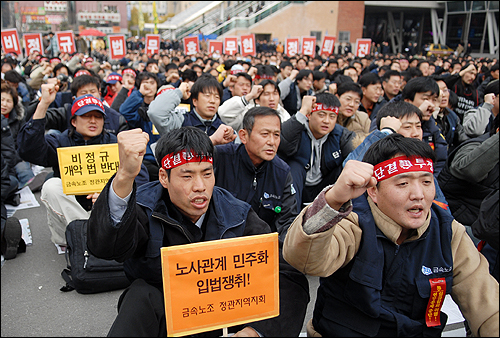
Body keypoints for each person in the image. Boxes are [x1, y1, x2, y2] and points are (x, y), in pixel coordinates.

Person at [86, 126, 309, 337]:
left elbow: (288, 277)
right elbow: (106, 248)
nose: (200, 186)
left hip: (225, 318)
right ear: (164, 177)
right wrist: (124, 176)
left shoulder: (237, 215)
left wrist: (256, 331)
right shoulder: (144, 207)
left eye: (206, 173)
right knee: (140, 294)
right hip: (167, 318)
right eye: (187, 176)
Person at [283, 133, 499, 337]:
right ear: (373, 191)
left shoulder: (448, 232)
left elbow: (488, 307)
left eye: (426, 181)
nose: (418, 195)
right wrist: (333, 200)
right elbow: (306, 260)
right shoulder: (352, 220)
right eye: (403, 183)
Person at [17, 84, 148, 247]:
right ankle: (85, 239)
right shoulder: (61, 141)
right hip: (73, 210)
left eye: (98, 116)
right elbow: (28, 149)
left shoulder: (117, 144)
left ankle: (91, 240)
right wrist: (43, 104)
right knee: (51, 185)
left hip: (108, 212)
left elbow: (141, 181)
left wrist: (114, 193)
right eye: (86, 116)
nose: (93, 121)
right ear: (73, 121)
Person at [214, 106, 297, 241]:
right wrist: (212, 141)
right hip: (220, 244)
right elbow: (184, 163)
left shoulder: (282, 172)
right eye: (265, 134)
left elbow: (287, 222)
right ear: (243, 136)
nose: (271, 142)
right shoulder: (222, 157)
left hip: (260, 250)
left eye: (276, 135)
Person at [278, 93, 355, 211]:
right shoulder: (297, 128)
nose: (327, 121)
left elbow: (355, 157)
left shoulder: (341, 135)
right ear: (309, 114)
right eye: (321, 115)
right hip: (297, 185)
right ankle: (291, 219)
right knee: (295, 167)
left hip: (324, 185)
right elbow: (282, 142)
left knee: (347, 168)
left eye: (332, 116)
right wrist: (302, 111)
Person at [147, 74, 236, 146]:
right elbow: (155, 112)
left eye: (216, 97)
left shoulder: (225, 130)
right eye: (207, 96)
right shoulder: (181, 122)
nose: (212, 101)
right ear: (195, 101)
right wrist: (180, 92)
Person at [401, 76, 448, 177]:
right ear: (408, 101)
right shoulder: (389, 116)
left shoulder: (431, 124)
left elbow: (441, 160)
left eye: (434, 100)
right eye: (425, 99)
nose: (430, 105)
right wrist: (416, 114)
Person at [218, 79, 290, 133]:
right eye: (266, 94)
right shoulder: (248, 114)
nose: (272, 99)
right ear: (257, 100)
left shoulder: (284, 115)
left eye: (275, 94)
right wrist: (249, 96)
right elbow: (223, 113)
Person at [431, 75, 466, 152]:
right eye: (438, 91)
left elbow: (461, 139)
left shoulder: (452, 115)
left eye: (445, 90)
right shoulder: (425, 116)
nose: (443, 95)